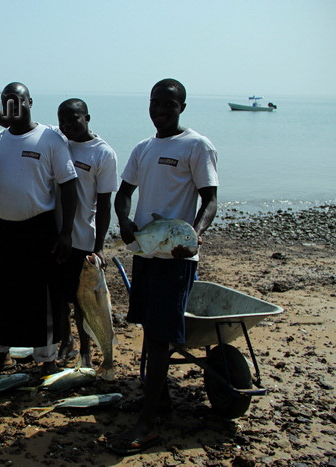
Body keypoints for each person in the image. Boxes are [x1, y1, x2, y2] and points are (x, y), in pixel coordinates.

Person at [109, 79, 218, 455]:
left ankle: (148, 424)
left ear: (182, 107)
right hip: (146, 254)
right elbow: (123, 195)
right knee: (148, 330)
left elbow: (210, 200)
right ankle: (159, 401)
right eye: (156, 103)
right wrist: (123, 222)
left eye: (169, 104)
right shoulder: (143, 148)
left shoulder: (197, 146)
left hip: (175, 258)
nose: (161, 109)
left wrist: (195, 237)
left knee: (158, 338)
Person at [0, 82, 78, 376]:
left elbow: (69, 186)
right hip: (0, 228)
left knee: (41, 296)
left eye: (17, 101)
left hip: (39, 229)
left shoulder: (50, 139)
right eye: (6, 102)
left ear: (30, 102)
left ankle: (46, 358)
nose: (12, 107)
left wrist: (66, 232)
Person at [54, 98, 118, 368]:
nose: (67, 126)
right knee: (57, 295)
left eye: (73, 119)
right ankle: (65, 341)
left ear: (87, 118)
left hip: (82, 239)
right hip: (55, 235)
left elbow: (105, 204)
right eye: (63, 121)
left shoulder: (103, 153)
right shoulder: (59, 143)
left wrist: (100, 246)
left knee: (83, 303)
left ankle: (85, 353)